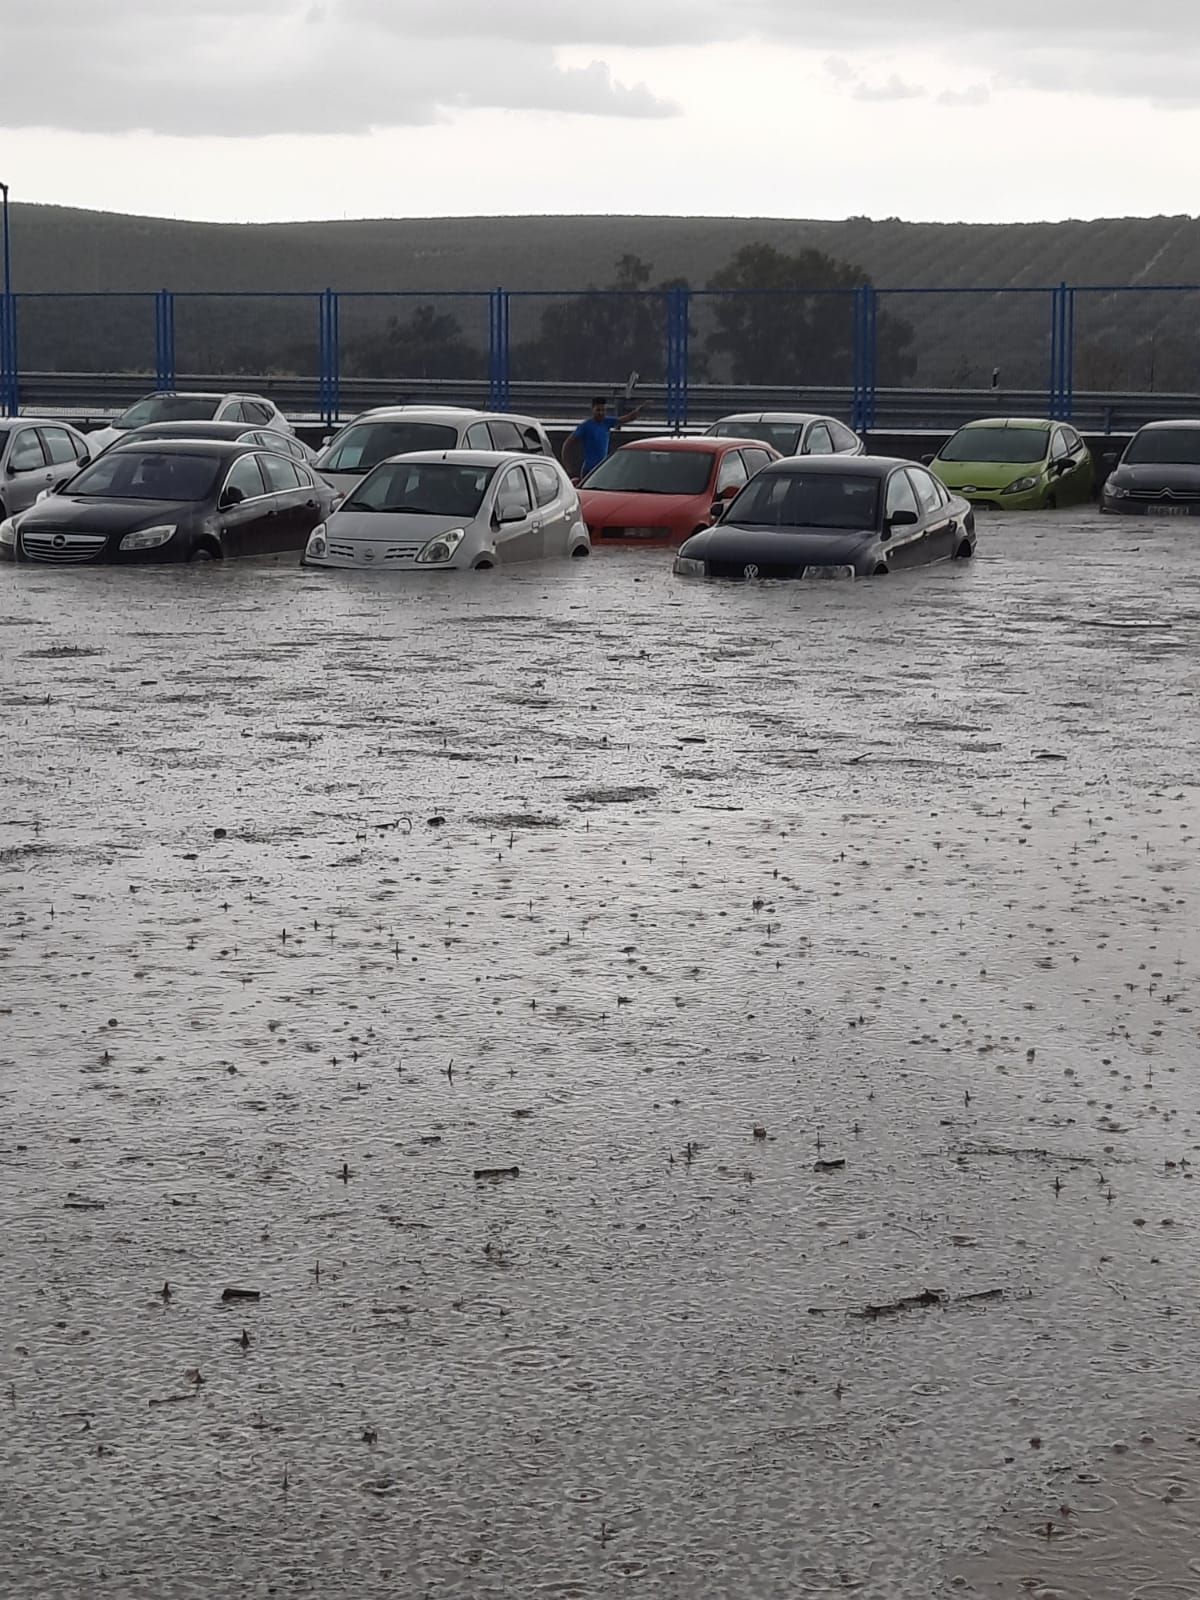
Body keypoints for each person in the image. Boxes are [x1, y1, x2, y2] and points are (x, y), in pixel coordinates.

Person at [568, 395, 643, 482]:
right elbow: (568, 444)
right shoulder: (585, 426)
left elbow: (626, 419)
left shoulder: (606, 422)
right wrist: (568, 466)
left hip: (602, 468)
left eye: (603, 410)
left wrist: (638, 411)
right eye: (598, 410)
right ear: (592, 409)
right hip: (589, 469)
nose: (601, 413)